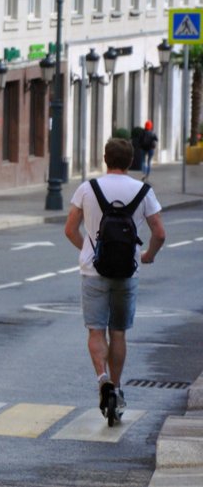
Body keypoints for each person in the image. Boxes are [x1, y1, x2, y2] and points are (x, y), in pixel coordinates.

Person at [64, 137, 166, 420]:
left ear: (105, 159)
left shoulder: (88, 188)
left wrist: (89, 250)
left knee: (96, 331)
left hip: (93, 272)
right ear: (131, 161)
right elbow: (159, 233)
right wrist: (148, 255)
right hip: (127, 271)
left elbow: (70, 229)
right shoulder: (143, 191)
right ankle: (117, 389)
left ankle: (103, 380)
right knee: (118, 331)